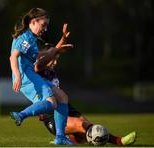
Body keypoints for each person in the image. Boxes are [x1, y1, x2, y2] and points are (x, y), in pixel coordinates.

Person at [35, 23, 136, 146]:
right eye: (53, 59)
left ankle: (70, 140)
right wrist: (55, 50)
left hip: (65, 107)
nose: (55, 61)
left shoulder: (49, 69)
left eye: (56, 58)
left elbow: (53, 52)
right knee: (80, 125)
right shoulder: (38, 70)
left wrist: (63, 38)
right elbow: (41, 62)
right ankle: (119, 141)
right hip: (51, 114)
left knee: (84, 129)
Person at [9, 8, 75, 145]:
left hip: (31, 76)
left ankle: (60, 137)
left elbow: (38, 57)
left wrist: (56, 50)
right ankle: (21, 115)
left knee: (62, 97)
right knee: (52, 102)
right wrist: (17, 75)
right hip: (27, 78)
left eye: (46, 25)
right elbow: (13, 57)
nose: (45, 29)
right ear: (33, 22)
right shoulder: (26, 38)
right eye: (43, 25)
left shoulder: (31, 39)